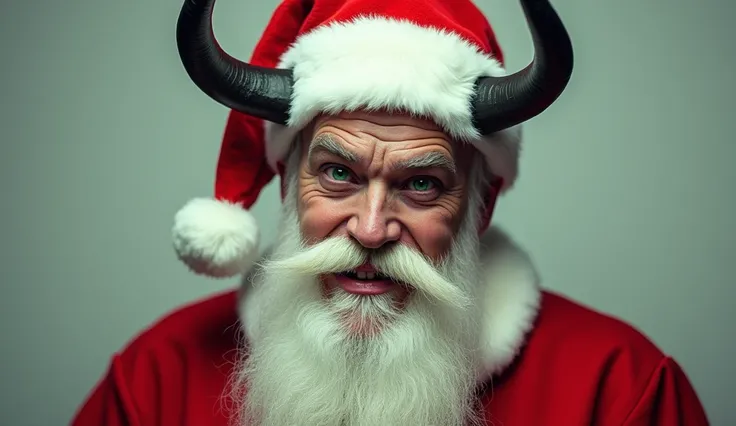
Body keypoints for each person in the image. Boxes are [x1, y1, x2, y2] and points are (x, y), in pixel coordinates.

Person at [71, 0, 710, 424]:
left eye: (422, 184)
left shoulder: (621, 391)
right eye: (339, 174)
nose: (372, 229)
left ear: (480, 206)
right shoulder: (155, 380)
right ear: (287, 182)